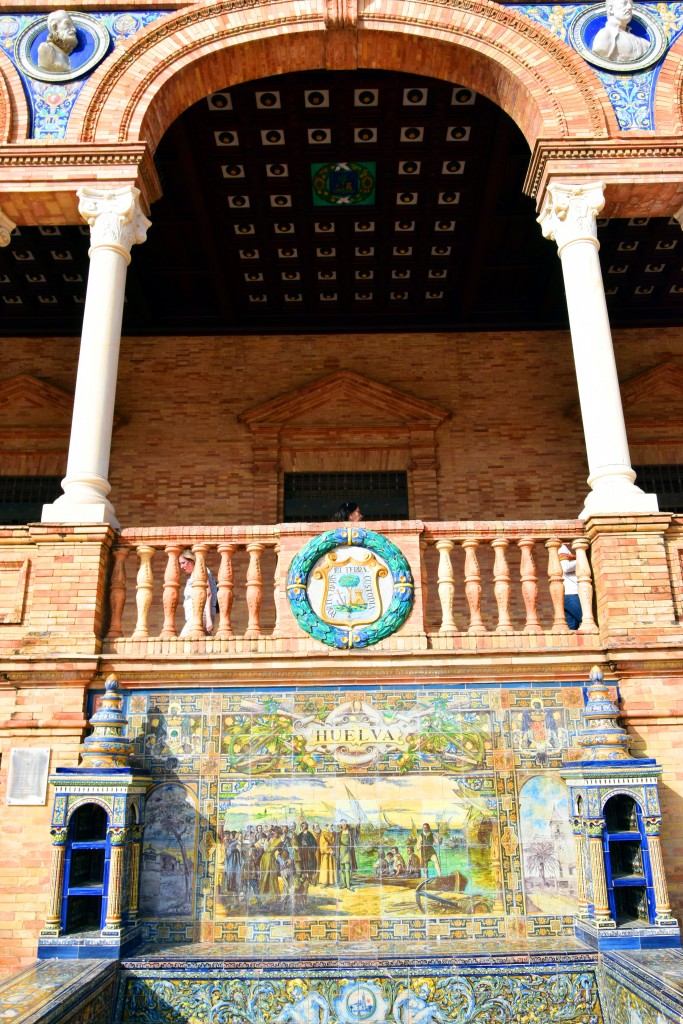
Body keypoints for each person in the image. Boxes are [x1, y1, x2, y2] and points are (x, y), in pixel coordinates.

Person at [178, 548, 218, 636]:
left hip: (201, 614)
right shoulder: (193, 575)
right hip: (195, 616)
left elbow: (208, 594)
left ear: (192, 560)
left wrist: (208, 619)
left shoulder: (201, 571)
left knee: (182, 642)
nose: (181, 566)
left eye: (183, 563)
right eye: (180, 564)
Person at [559, 543, 582, 631]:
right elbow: (566, 568)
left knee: (572, 628)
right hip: (571, 593)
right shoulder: (561, 547)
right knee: (586, 619)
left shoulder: (563, 547)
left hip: (567, 593)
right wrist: (581, 558)